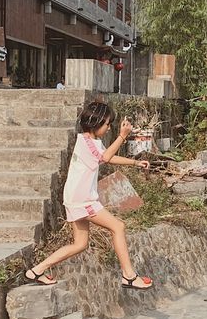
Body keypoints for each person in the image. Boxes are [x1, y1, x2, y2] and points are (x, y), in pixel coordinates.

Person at [23, 99, 154, 290]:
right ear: (96, 123)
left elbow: (107, 157)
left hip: (76, 197)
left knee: (80, 244)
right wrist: (122, 136)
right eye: (107, 124)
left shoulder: (89, 142)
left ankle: (36, 270)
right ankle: (129, 275)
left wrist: (135, 163)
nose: (109, 128)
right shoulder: (86, 143)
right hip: (82, 198)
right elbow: (106, 157)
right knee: (118, 227)